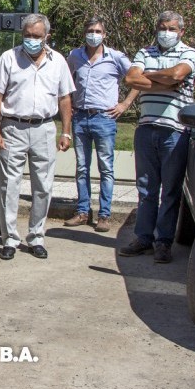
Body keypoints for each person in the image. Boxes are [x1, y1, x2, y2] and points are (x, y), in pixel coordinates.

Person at [0, 13, 75, 260]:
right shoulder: (9, 58)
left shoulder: (58, 61)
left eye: (37, 36)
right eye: (27, 35)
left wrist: (66, 131)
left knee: (43, 186)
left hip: (44, 128)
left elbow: (65, 97)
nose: (32, 40)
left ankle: (36, 237)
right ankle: (10, 240)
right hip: (13, 127)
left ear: (47, 36)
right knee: (9, 186)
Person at [120, 10, 195, 263]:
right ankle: (143, 237)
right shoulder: (145, 52)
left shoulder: (189, 53)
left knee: (171, 191)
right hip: (146, 128)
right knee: (146, 188)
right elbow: (130, 77)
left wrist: (150, 77)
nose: (167, 32)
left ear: (181, 31)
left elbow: (178, 75)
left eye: (172, 29)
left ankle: (163, 242)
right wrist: (163, 82)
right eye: (163, 27)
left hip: (175, 131)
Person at [64, 17, 139, 232]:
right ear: (84, 33)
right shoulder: (75, 56)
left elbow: (136, 79)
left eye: (98, 31)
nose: (94, 34)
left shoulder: (115, 57)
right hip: (80, 117)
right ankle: (82, 212)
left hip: (104, 118)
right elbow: (66, 80)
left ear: (104, 35)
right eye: (90, 30)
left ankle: (104, 215)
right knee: (81, 167)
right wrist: (67, 104)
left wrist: (125, 104)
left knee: (106, 168)